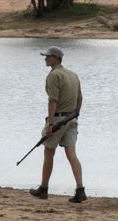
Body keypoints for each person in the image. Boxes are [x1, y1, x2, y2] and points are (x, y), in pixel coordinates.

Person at [29, 46, 86, 203]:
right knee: (72, 154)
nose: (45, 59)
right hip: (72, 119)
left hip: (59, 119)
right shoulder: (73, 75)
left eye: (47, 57)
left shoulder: (54, 75)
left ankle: (43, 188)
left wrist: (50, 124)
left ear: (56, 58)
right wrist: (75, 114)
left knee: (48, 152)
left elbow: (52, 100)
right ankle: (80, 189)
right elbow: (80, 99)